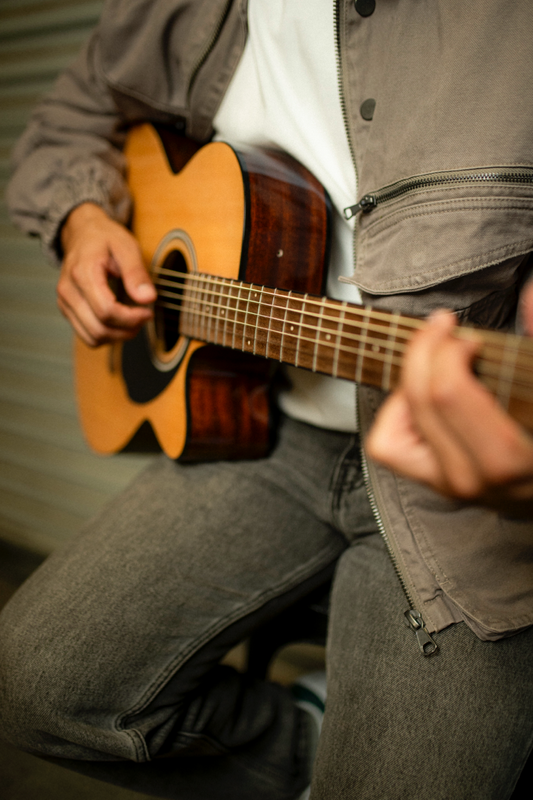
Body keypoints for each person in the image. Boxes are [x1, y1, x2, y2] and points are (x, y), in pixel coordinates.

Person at [1, 1, 533, 798]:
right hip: (270, 427)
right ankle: (311, 741)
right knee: (33, 689)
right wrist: (81, 220)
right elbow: (70, 118)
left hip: (460, 494)